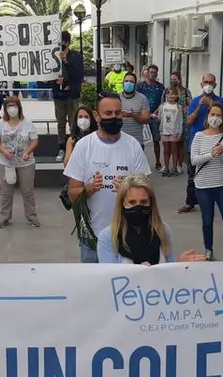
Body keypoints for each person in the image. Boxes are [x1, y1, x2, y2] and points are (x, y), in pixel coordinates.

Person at [63, 93, 151, 263]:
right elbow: (72, 194)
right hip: (92, 237)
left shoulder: (132, 145)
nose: (114, 117)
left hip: (129, 236)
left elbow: (148, 190)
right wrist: (89, 188)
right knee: (93, 286)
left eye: (118, 113)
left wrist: (127, 190)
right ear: (97, 116)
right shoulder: (84, 146)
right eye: (108, 113)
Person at [97, 174, 205, 264]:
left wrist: (179, 265)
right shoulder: (108, 237)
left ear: (151, 204)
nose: (138, 207)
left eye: (144, 202)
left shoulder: (163, 231)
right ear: (122, 204)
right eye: (132, 202)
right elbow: (110, 281)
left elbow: (169, 273)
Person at [191, 102, 223, 261]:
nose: (215, 118)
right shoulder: (199, 136)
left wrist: (222, 154)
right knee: (207, 220)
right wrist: (212, 154)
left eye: (219, 115)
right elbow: (194, 160)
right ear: (207, 117)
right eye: (212, 115)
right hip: (203, 186)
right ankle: (208, 249)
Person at [178, 74, 223, 214]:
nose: (208, 85)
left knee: (211, 174)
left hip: (213, 143)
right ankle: (190, 202)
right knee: (192, 175)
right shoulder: (195, 101)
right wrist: (199, 107)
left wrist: (212, 106)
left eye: (211, 82)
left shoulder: (220, 101)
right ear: (201, 84)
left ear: (215, 85)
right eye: (206, 82)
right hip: (196, 143)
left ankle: (209, 202)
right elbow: (188, 121)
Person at [0, 95, 40, 228]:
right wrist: (4, 151)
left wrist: (27, 151)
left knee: (27, 190)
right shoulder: (1, 123)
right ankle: (4, 217)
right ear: (5, 109)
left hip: (26, 163)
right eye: (9, 106)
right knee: (6, 191)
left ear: (19, 107)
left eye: (14, 105)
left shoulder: (27, 123)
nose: (12, 109)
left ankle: (31, 215)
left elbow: (35, 140)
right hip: (5, 163)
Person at [54, 31, 85, 162]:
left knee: (73, 122)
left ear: (67, 42)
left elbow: (78, 75)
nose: (61, 44)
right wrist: (53, 81)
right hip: (59, 95)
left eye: (62, 41)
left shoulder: (76, 56)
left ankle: (73, 146)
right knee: (60, 123)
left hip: (72, 95)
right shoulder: (52, 56)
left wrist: (66, 62)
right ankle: (61, 148)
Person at [162, 71, 192, 174]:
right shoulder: (167, 90)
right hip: (168, 121)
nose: (173, 81)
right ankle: (167, 165)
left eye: (175, 79)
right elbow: (162, 104)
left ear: (179, 80)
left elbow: (191, 104)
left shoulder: (185, 91)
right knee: (168, 145)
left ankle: (179, 165)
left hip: (182, 120)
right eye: (171, 79)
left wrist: (187, 108)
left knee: (180, 145)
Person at [137, 65, 166, 170]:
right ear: (147, 73)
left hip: (154, 117)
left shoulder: (161, 87)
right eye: (151, 72)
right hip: (142, 117)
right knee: (141, 141)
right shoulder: (140, 86)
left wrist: (156, 112)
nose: (152, 74)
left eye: (155, 72)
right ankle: (140, 163)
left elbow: (163, 101)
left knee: (156, 140)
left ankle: (158, 162)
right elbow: (137, 100)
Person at [157, 87, 183, 177]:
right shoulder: (163, 106)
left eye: (172, 94)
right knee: (166, 150)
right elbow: (160, 117)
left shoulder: (178, 107)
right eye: (168, 93)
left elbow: (180, 121)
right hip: (164, 131)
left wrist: (179, 132)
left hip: (174, 132)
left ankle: (174, 168)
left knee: (174, 150)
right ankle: (166, 167)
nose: (170, 96)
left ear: (176, 96)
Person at [120, 73, 150, 146]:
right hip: (119, 141)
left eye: (131, 82)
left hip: (137, 141)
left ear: (135, 84)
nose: (128, 83)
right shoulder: (116, 98)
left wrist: (132, 115)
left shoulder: (142, 99)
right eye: (126, 81)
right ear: (123, 83)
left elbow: (146, 120)